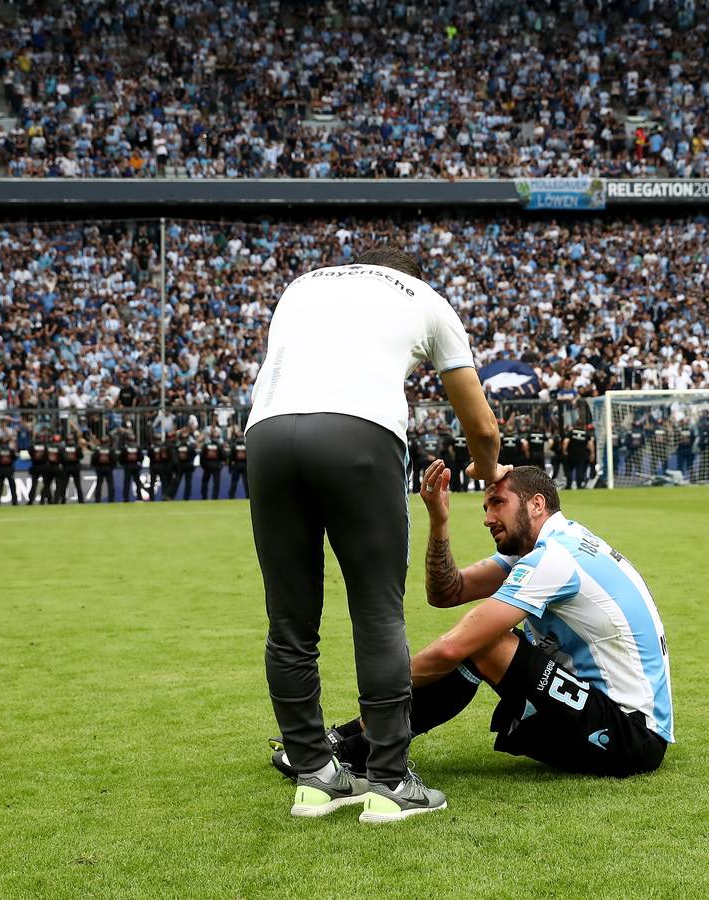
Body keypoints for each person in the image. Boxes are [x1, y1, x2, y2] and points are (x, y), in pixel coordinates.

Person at [245, 245, 506, 821]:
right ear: (405, 274)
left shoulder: (301, 285)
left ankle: (313, 776)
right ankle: (388, 782)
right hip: (359, 438)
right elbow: (482, 425)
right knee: (378, 610)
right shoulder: (425, 299)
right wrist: (490, 473)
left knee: (289, 621)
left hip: (264, 436)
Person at [271, 464, 673, 790]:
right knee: (479, 648)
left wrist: (383, 691)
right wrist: (439, 520)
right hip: (613, 716)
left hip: (631, 736)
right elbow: (448, 591)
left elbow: (452, 648)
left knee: (481, 645)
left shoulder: (554, 559)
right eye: (485, 507)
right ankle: (347, 744)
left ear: (536, 504)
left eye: (497, 503)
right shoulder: (547, 549)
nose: (487, 518)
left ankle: (345, 746)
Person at [199, 425, 226, 500]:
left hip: (207, 466)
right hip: (216, 466)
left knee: (205, 482)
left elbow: (201, 457)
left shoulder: (206, 445)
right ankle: (215, 497)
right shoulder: (219, 445)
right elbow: (224, 456)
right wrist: (220, 465)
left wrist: (204, 465)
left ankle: (204, 497)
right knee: (216, 483)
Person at [57, 430, 85, 502]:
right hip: (75, 467)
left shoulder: (63, 448)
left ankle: (63, 500)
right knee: (77, 485)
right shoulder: (77, 447)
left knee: (64, 485)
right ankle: (81, 500)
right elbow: (81, 456)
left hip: (66, 467)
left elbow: (60, 458)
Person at [90, 436, 116, 503]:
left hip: (100, 469)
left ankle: (97, 500)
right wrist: (112, 467)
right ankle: (111, 499)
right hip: (108, 468)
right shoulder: (110, 449)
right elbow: (114, 460)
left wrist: (96, 467)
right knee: (110, 484)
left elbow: (93, 460)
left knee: (99, 485)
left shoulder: (97, 450)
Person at [0, 440, 19, 505]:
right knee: (12, 486)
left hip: (0, 470)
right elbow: (15, 457)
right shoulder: (11, 451)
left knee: (0, 487)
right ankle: (14, 501)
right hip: (9, 470)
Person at [226, 426, 248, 499]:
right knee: (246, 483)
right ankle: (248, 496)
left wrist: (230, 468)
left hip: (236, 465)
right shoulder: (246, 445)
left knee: (234, 483)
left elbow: (230, 457)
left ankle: (231, 496)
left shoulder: (234, 446)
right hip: (244, 465)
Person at [27, 434, 50, 504]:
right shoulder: (45, 446)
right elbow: (47, 454)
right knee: (46, 484)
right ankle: (44, 499)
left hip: (35, 466)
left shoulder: (32, 447)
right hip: (44, 466)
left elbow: (30, 453)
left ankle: (31, 500)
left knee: (34, 484)